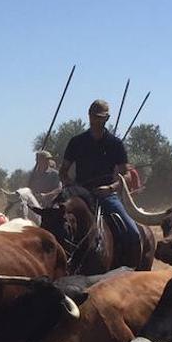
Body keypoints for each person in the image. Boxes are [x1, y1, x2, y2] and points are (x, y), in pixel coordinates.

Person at [60, 99, 142, 264]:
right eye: (92, 116)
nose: (95, 120)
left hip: (105, 194)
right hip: (80, 194)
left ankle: (131, 269)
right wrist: (71, 185)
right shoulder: (76, 142)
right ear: (88, 116)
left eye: (99, 117)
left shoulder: (115, 144)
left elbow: (126, 175)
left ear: (106, 118)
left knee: (132, 233)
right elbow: (63, 171)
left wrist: (111, 187)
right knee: (54, 220)